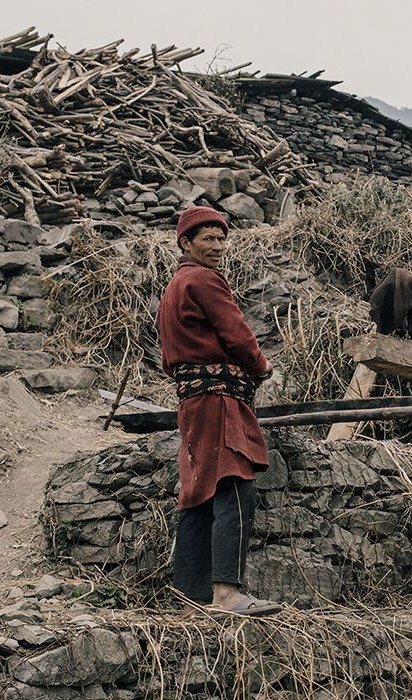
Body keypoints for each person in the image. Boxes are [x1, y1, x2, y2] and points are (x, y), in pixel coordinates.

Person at [157, 206, 280, 618]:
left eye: (221, 238)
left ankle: (189, 598)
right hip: (219, 401)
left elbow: (169, 358)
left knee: (198, 492)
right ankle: (226, 593)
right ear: (185, 243)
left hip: (193, 401)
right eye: (207, 238)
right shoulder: (205, 279)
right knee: (235, 486)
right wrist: (261, 366)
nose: (217, 246)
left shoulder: (174, 288)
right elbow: (236, 333)